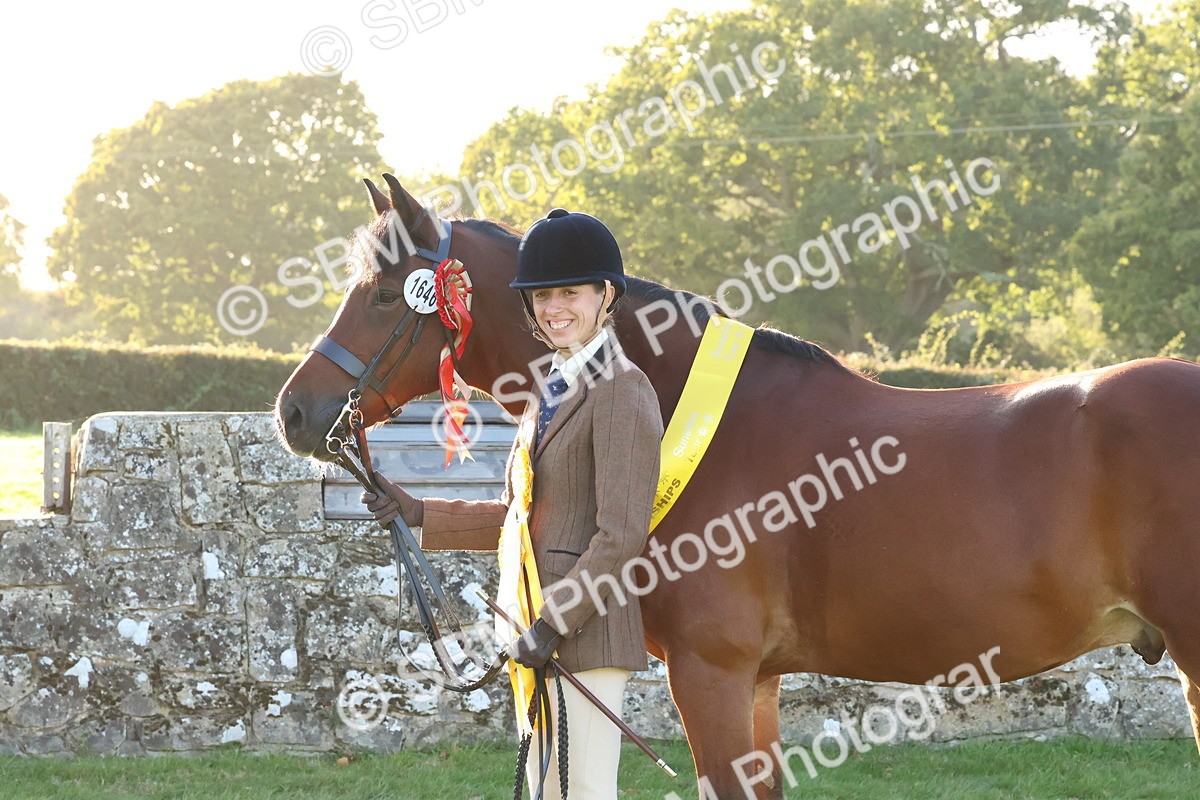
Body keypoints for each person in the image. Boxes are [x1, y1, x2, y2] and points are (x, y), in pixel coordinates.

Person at [361, 208, 664, 799]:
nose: (554, 309)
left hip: (583, 637)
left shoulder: (623, 390)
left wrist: (552, 624)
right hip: (533, 629)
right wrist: (419, 510)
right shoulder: (550, 389)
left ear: (606, 296)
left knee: (582, 792)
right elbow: (518, 520)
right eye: (542, 295)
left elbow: (622, 535)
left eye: (570, 293)